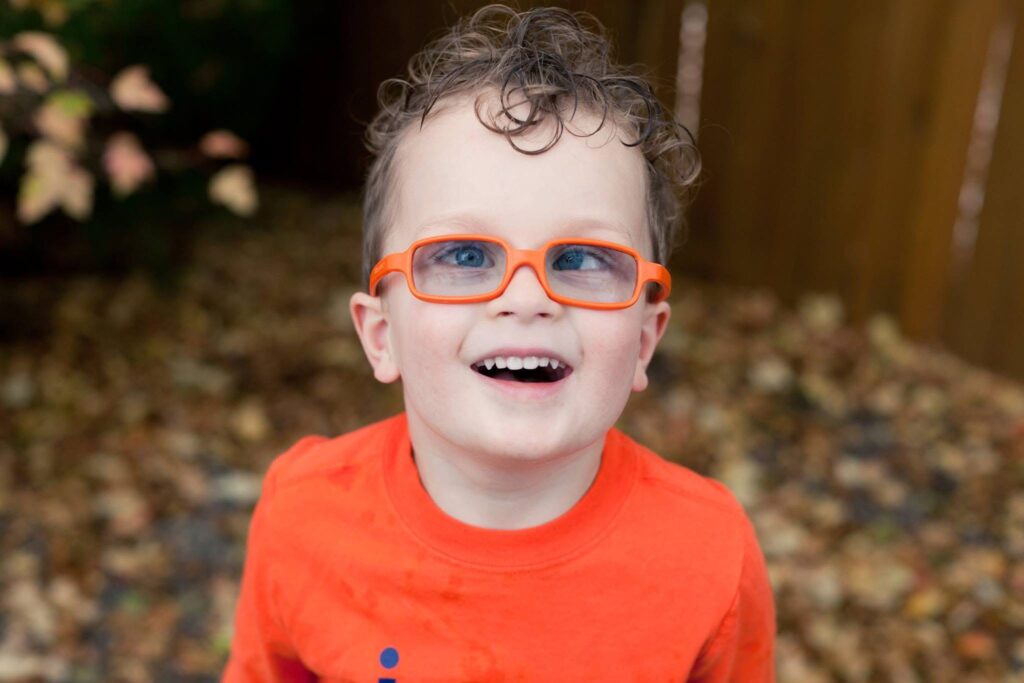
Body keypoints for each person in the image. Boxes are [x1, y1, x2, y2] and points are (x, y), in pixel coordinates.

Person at [222, 4, 776, 681]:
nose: (527, 297)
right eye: (464, 255)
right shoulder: (304, 515)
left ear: (643, 340)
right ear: (380, 335)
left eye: (580, 259)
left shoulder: (709, 556)